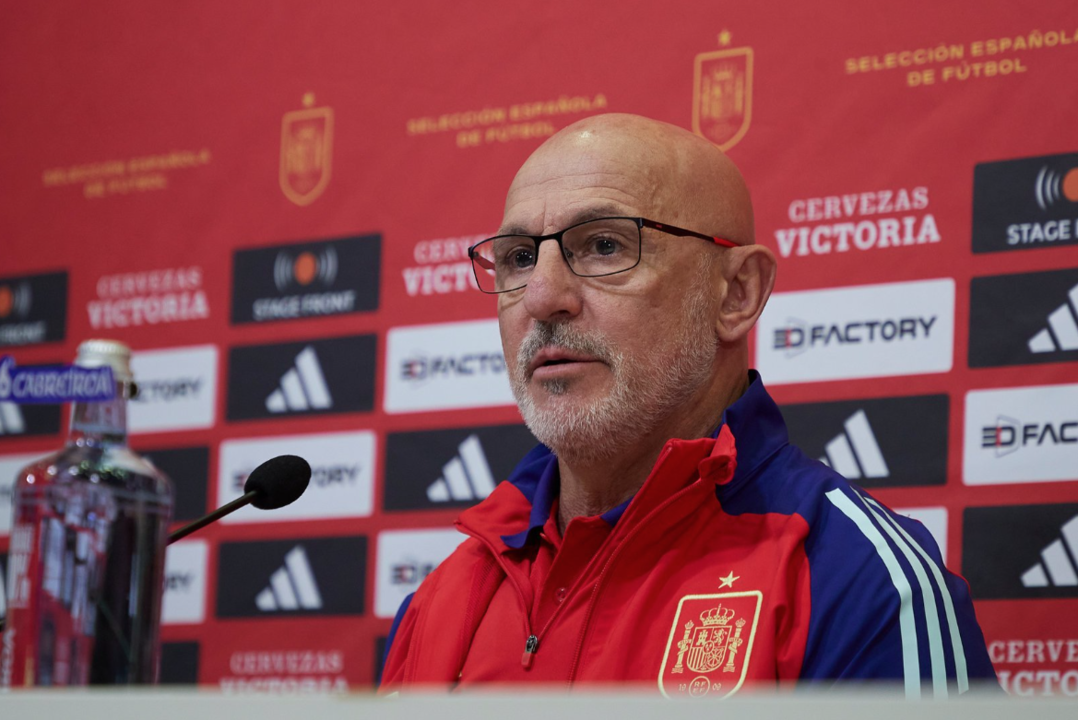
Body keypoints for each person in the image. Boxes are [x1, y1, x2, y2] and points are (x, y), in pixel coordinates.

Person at [380, 113, 997, 697]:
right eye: (518, 257)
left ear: (736, 293)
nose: (542, 296)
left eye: (603, 246)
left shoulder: (859, 580)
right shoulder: (444, 596)